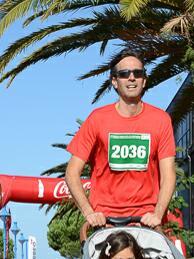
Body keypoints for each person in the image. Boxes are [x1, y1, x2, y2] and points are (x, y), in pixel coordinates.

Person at [65, 49, 177, 228]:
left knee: (172, 256)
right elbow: (72, 173)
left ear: (144, 80)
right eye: (124, 74)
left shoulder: (161, 120)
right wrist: (90, 213)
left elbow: (168, 175)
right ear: (114, 82)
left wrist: (157, 214)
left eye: (137, 73)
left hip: (146, 223)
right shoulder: (97, 119)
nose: (131, 78)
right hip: (107, 222)